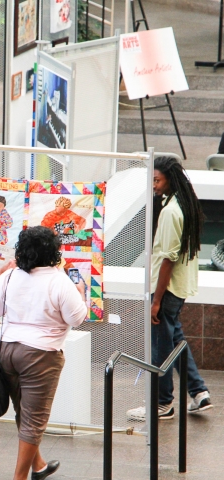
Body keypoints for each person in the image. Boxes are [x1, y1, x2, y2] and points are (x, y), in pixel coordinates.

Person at [0, 226, 87, 480]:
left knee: (25, 410)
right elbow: (77, 319)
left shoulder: (10, 276)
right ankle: (19, 478)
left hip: (7, 351)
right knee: (35, 418)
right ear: (53, 252)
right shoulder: (59, 281)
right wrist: (82, 295)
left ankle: (38, 465)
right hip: (41, 357)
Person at [127, 157, 212, 422]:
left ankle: (162, 404)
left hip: (167, 290)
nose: (153, 185)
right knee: (175, 341)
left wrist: (156, 301)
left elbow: (167, 260)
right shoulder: (181, 205)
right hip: (179, 288)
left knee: (161, 349)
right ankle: (199, 393)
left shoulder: (171, 212)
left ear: (169, 180)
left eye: (157, 180)